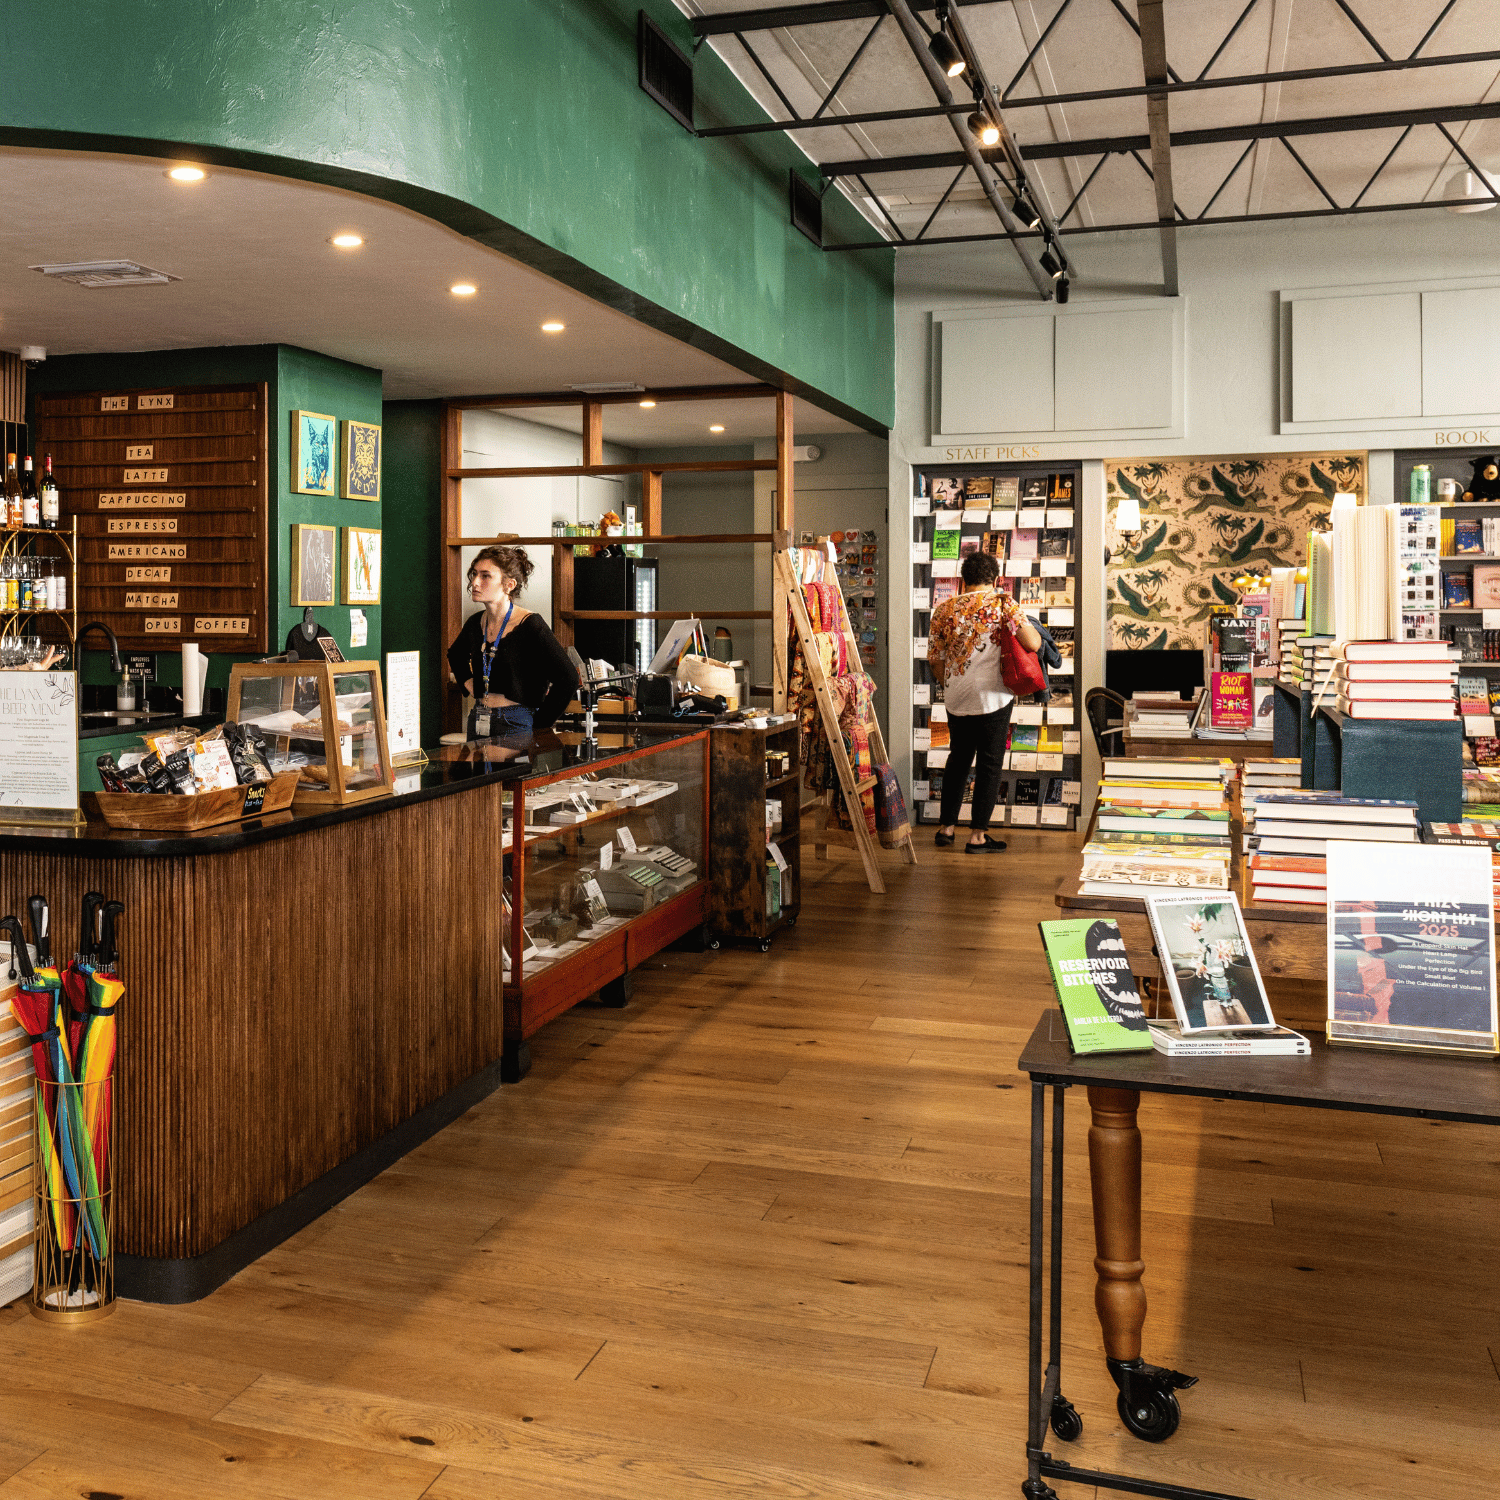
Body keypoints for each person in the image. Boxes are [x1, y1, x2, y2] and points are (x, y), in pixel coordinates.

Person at [926, 550, 1043, 852]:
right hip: (993, 696)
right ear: (994, 578)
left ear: (963, 579)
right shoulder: (1004, 604)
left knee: (958, 759)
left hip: (956, 696)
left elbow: (935, 660)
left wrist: (951, 684)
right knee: (990, 763)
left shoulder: (943, 609)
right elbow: (1032, 643)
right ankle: (977, 836)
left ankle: (945, 828)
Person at [447, 545, 578, 737]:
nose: (475, 582)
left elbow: (568, 678)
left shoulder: (531, 624)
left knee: (509, 769)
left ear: (509, 585)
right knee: (474, 768)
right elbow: (455, 654)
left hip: (515, 721)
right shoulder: (476, 622)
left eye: (485, 576)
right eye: (474, 574)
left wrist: (539, 727)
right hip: (478, 718)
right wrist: (467, 682)